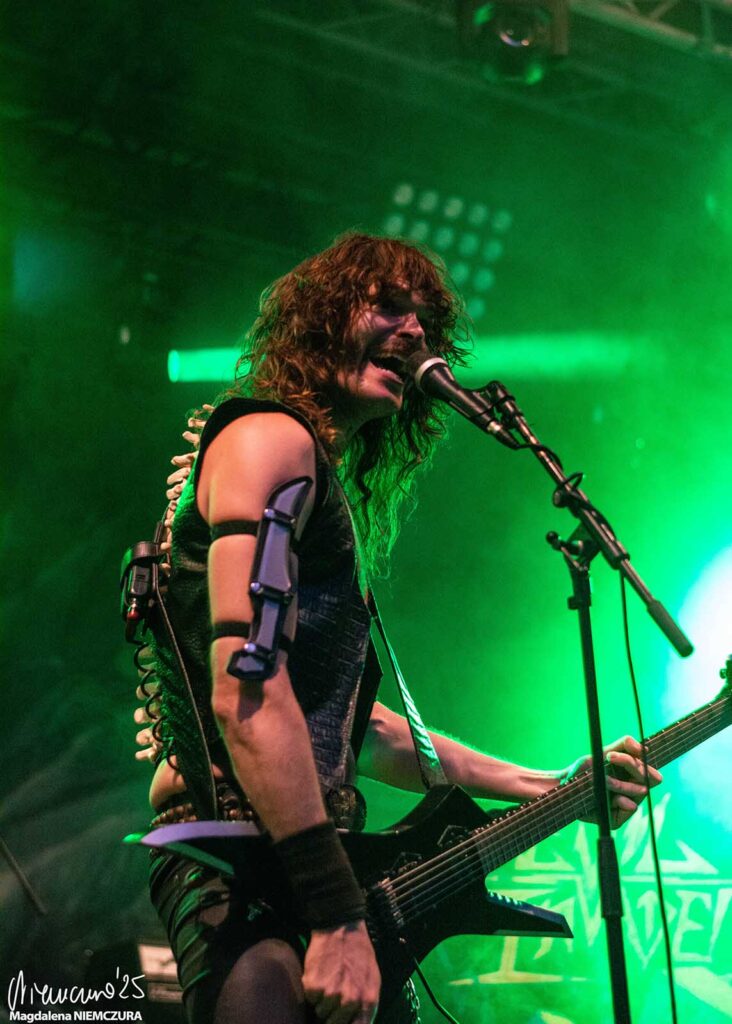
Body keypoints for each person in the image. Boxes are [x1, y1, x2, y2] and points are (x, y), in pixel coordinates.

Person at [133, 232, 661, 1024]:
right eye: (386, 307)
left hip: (305, 859)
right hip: (245, 864)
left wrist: (553, 786)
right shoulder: (270, 438)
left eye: (424, 321)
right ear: (319, 319)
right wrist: (336, 916)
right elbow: (248, 690)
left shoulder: (313, 476)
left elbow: (360, 732)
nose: (413, 332)